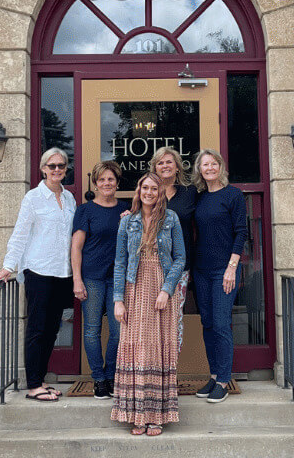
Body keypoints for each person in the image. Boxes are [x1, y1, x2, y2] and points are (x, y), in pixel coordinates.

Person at [0, 148, 76, 402]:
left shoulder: (70, 198)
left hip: (63, 271)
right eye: (51, 166)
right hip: (39, 270)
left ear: (65, 169)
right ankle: (33, 385)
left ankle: (41, 380)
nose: (56, 170)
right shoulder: (33, 198)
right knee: (37, 328)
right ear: (43, 169)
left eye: (61, 166)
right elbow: (20, 234)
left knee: (52, 329)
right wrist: (9, 266)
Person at [111, 173, 186, 436]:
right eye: (145, 187)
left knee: (158, 347)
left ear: (160, 192)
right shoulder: (127, 221)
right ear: (138, 190)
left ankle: (157, 415)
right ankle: (137, 414)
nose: (149, 192)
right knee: (136, 347)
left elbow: (180, 258)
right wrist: (118, 299)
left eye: (154, 188)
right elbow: (120, 262)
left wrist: (167, 290)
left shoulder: (171, 219)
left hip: (161, 286)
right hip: (134, 285)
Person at [190, 149, 248, 404]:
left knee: (222, 324)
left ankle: (224, 379)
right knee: (208, 323)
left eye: (214, 163)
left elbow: (241, 232)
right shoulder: (199, 198)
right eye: (205, 164)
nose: (210, 168)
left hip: (223, 270)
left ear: (220, 167)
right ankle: (214, 375)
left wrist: (232, 266)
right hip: (201, 270)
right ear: (199, 170)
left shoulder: (233, 195)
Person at [71, 161, 129, 399]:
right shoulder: (85, 211)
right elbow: (76, 247)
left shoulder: (126, 209)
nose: (107, 183)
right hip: (92, 278)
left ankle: (112, 375)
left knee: (118, 331)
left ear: (117, 183)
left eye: (111, 179)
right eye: (102, 180)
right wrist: (77, 279)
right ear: (95, 184)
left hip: (119, 279)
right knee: (92, 330)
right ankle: (99, 379)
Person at [147, 146, 198, 347]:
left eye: (169, 162)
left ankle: (170, 370)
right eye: (160, 163)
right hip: (151, 266)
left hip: (180, 268)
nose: (165, 166)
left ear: (177, 167)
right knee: (151, 318)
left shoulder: (190, 193)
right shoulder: (147, 192)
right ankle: (152, 369)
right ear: (154, 168)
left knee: (174, 318)